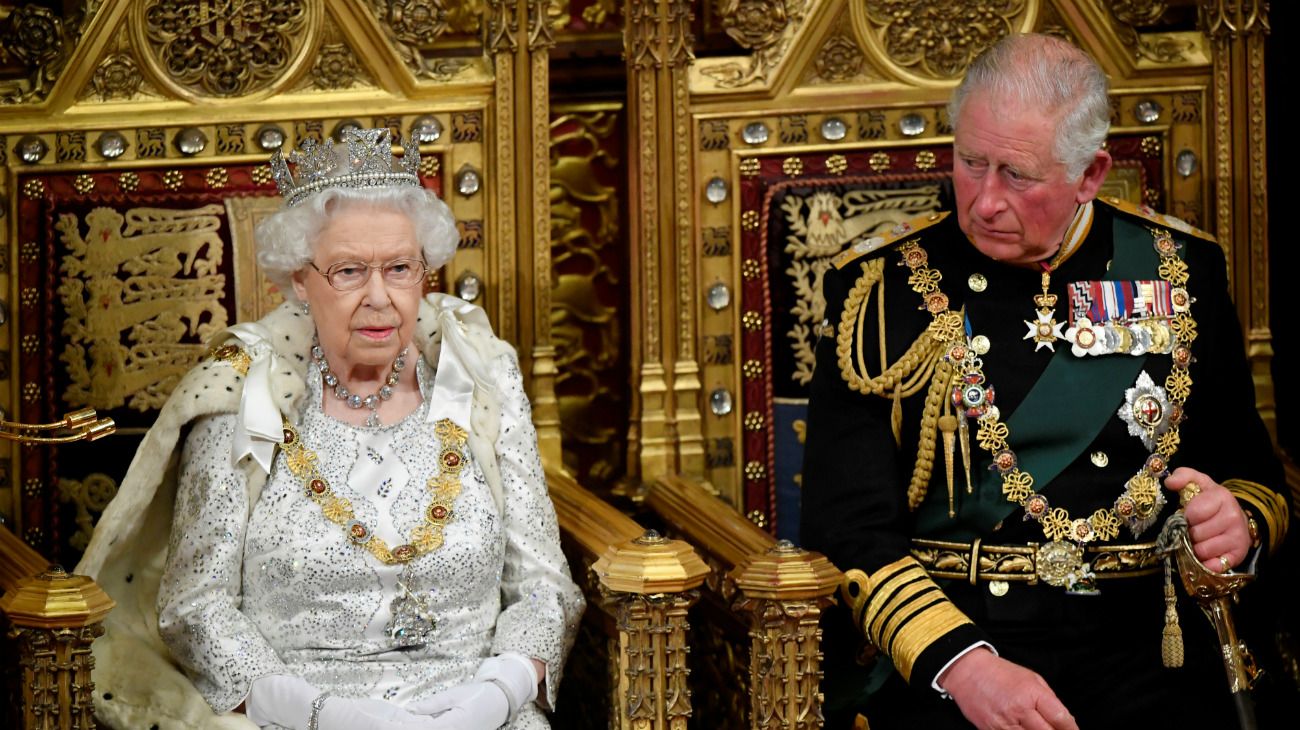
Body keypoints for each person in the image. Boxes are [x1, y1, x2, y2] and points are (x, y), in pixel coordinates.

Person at [801, 34, 1289, 729]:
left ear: (1090, 174)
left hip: (1154, 650)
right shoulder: (877, 291)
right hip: (962, 644)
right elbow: (846, 523)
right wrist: (962, 665)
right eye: (971, 162)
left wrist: (1234, 524)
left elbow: (1253, 474)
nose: (985, 201)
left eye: (1017, 176)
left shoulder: (1181, 269)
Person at [75, 128, 584, 730]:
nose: (380, 299)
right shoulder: (241, 395)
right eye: (347, 271)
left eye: (400, 268)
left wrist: (496, 695)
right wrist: (323, 714)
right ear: (297, 279)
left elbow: (544, 584)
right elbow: (197, 606)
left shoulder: (481, 380)